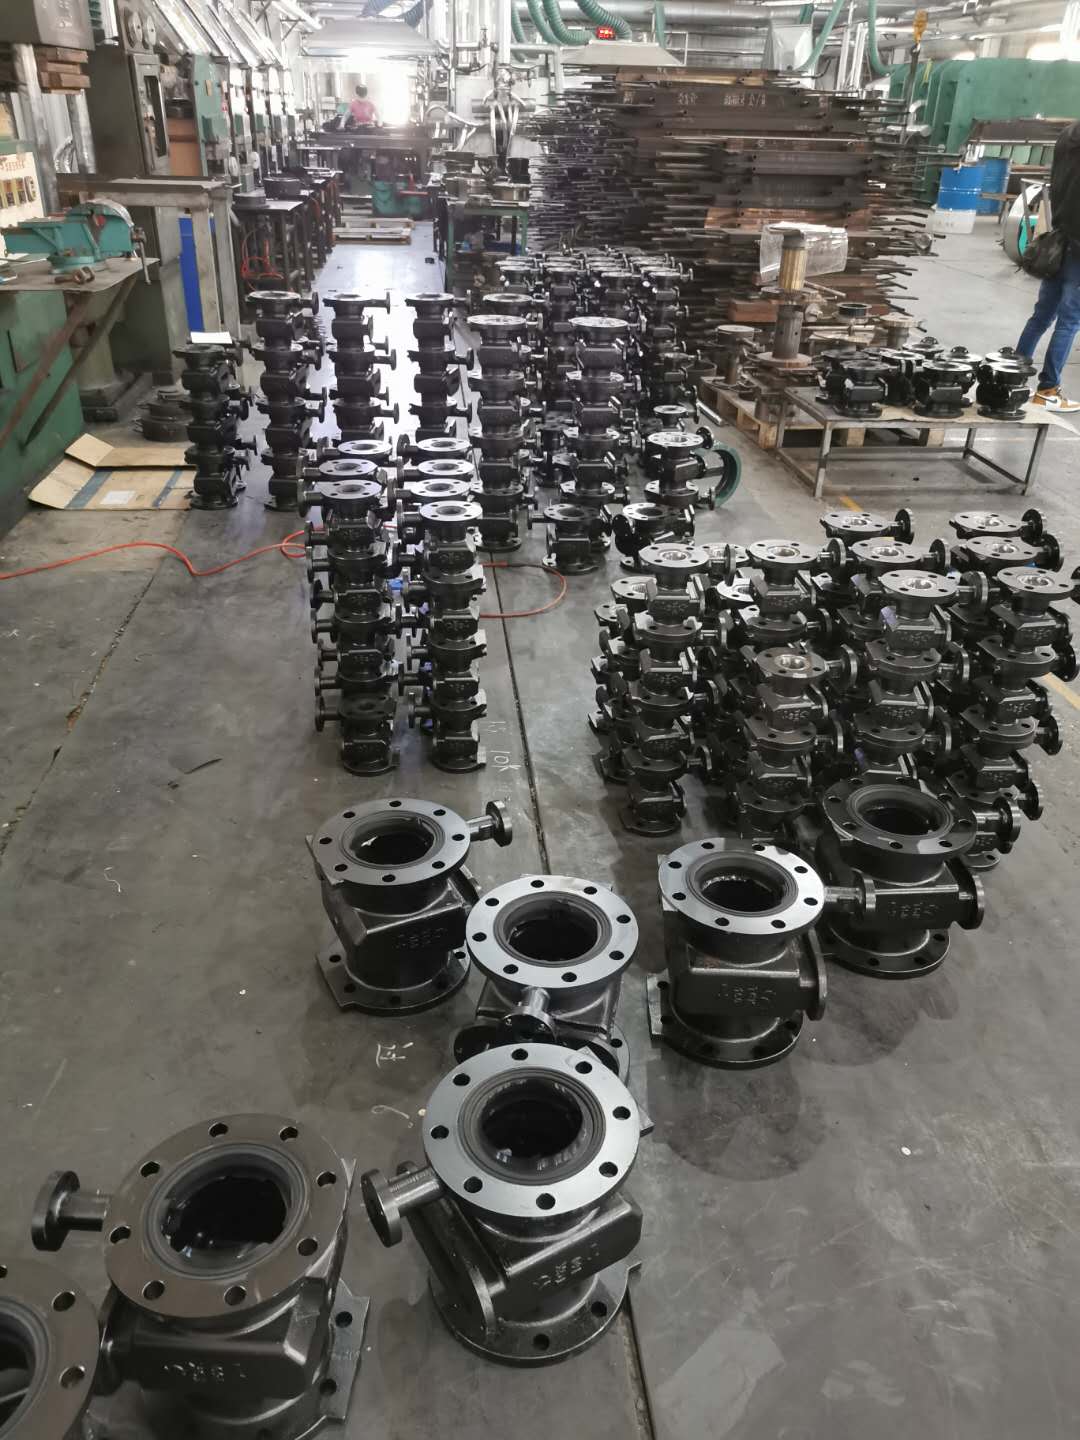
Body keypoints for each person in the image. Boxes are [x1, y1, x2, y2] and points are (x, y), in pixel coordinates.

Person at [1016, 120, 1080, 412]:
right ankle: (1048, 390)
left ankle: (1012, 379)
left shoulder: (1069, 134)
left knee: (1041, 317)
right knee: (1069, 321)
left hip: (1060, 238)